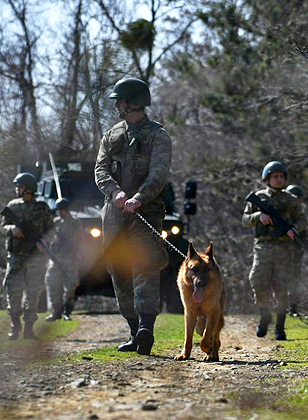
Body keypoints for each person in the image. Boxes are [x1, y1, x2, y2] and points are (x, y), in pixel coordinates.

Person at [94, 77, 172, 356]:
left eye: (120, 100)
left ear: (131, 102)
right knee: (118, 269)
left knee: (145, 266)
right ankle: (133, 332)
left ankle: (146, 329)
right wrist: (115, 192)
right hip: (114, 215)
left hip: (146, 213)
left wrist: (139, 198)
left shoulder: (158, 136)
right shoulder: (112, 135)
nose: (117, 105)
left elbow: (159, 173)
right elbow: (100, 169)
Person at [242, 161, 305, 341]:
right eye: (275, 177)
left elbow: (302, 220)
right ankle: (264, 315)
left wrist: (294, 229)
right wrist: (258, 217)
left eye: (281, 177)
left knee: (281, 288)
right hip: (263, 247)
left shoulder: (291, 200)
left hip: (284, 248)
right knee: (258, 282)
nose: (278, 180)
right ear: (267, 179)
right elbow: (245, 219)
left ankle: (280, 328)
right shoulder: (259, 197)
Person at [0, 172, 54, 340]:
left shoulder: (42, 207)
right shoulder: (13, 206)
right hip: (16, 255)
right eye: (17, 186)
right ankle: (14, 325)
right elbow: (2, 226)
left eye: (21, 186)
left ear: (29, 189)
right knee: (13, 291)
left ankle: (29, 329)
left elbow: (51, 230)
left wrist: (43, 241)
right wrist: (12, 230)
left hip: (35, 257)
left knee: (34, 292)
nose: (17, 189)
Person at [44, 198, 84, 322]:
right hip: (56, 258)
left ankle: (67, 311)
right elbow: (47, 236)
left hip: (71, 258)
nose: (61, 212)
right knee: (51, 282)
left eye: (62, 210)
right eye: (59, 210)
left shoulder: (75, 223)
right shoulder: (55, 223)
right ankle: (55, 312)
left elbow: (80, 239)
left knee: (71, 286)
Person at [285, 184, 306, 317]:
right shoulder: (284, 214)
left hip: (296, 251)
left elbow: (304, 231)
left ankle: (293, 307)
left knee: (295, 280)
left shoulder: (299, 216)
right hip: (281, 251)